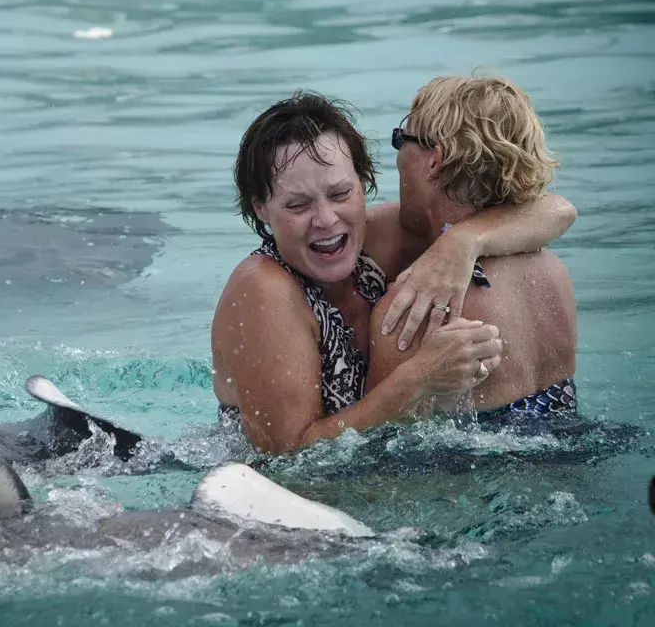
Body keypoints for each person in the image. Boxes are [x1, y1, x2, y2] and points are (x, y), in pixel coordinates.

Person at [211, 88, 577, 455]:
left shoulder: (377, 238)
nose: (325, 219)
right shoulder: (262, 290)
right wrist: (417, 379)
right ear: (260, 208)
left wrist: (463, 243)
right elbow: (288, 461)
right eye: (297, 205)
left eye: (340, 194)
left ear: (363, 183)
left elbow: (557, 210)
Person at [367, 74, 576, 428]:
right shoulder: (552, 271)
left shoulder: (416, 307)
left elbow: (368, 451)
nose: (399, 155)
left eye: (401, 140)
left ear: (435, 159)